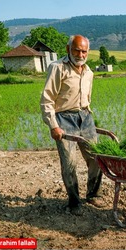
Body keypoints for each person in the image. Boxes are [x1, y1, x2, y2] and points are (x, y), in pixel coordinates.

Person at [40, 34, 103, 216]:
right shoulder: (57, 68)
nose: (80, 54)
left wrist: (88, 113)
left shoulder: (89, 72)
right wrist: (53, 125)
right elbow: (47, 99)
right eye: (77, 50)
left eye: (84, 51)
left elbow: (87, 96)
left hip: (85, 117)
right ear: (68, 49)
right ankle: (74, 202)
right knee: (69, 163)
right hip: (64, 118)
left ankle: (93, 194)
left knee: (96, 158)